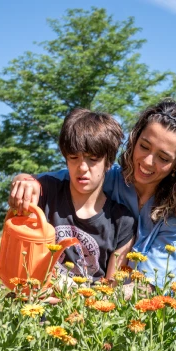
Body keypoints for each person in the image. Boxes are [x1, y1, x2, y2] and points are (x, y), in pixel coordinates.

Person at [10, 99, 176, 287]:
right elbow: (57, 179)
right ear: (134, 140)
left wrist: (92, 299)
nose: (147, 161)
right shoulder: (109, 177)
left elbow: (151, 286)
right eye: (144, 146)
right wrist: (25, 181)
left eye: (163, 158)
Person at [31, 108, 136, 283]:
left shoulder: (123, 222)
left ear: (108, 162)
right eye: (73, 157)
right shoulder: (45, 193)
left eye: (93, 159)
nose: (82, 168)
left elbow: (111, 291)